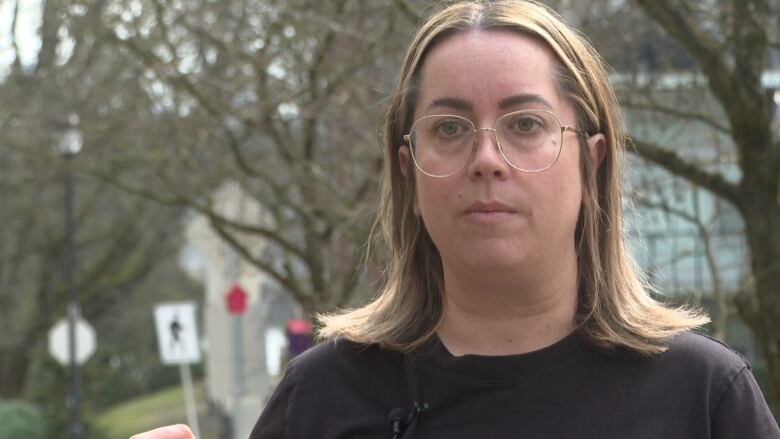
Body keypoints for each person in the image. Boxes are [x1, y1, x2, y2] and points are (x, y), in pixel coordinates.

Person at [131, 1, 780, 438]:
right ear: (408, 171)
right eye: (449, 128)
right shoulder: (321, 400)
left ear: (591, 162)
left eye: (525, 124)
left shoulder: (702, 398)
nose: (487, 159)